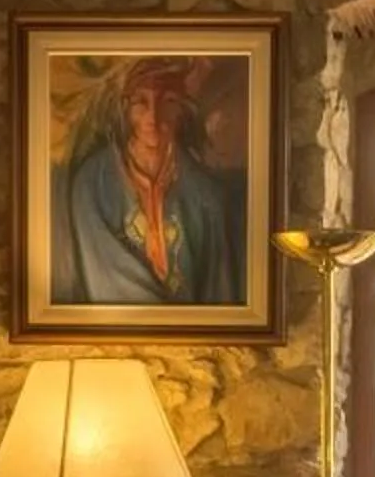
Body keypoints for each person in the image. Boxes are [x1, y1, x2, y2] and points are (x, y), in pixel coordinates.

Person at [49, 55, 248, 308]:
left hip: (194, 343)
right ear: (125, 109)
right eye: (140, 102)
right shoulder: (91, 185)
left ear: (182, 109)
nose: (153, 116)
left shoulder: (207, 197)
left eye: (167, 101)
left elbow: (221, 299)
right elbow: (108, 285)